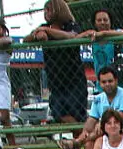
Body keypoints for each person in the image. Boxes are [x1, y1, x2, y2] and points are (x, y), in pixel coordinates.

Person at [27, 0, 88, 128]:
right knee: (59, 113)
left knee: (77, 114)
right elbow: (26, 39)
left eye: (49, 10)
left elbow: (72, 36)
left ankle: (82, 138)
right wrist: (38, 34)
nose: (46, 13)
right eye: (44, 10)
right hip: (55, 81)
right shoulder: (43, 26)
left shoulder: (71, 25)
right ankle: (80, 139)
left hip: (74, 80)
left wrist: (47, 31)